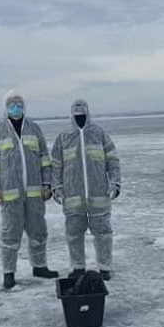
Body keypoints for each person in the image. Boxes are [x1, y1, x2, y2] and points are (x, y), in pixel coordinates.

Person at [0, 91, 58, 289]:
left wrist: (47, 184)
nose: (16, 107)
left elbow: (44, 158)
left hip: (34, 194)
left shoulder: (34, 129)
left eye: (19, 103)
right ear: (5, 107)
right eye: (11, 104)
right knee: (10, 235)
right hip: (10, 195)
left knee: (39, 232)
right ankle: (9, 273)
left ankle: (39, 266)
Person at [50, 99, 121, 279]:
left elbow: (112, 160)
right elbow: (56, 165)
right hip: (73, 197)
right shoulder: (64, 137)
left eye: (82, 113)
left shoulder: (99, 134)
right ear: (72, 115)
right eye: (76, 114)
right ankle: (78, 267)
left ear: (88, 113)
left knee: (103, 234)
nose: (79, 116)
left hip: (99, 195)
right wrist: (56, 186)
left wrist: (115, 183)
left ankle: (105, 267)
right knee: (74, 234)